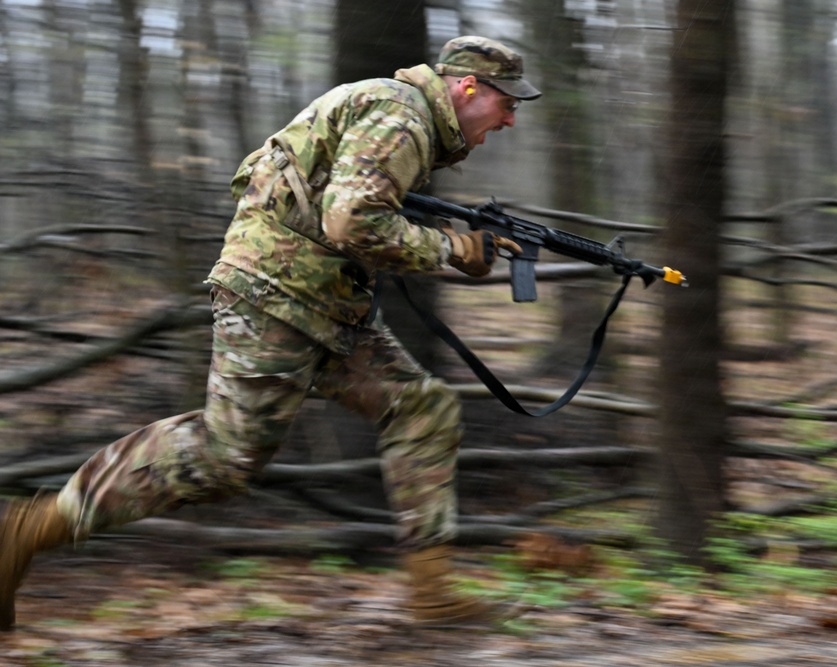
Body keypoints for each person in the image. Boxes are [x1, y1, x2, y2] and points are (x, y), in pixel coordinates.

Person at [0, 35, 541, 631]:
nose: (511, 118)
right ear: (467, 88)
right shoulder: (401, 116)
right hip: (276, 295)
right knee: (225, 457)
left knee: (423, 409)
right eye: (506, 102)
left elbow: (350, 205)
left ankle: (433, 594)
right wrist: (449, 247)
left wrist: (452, 242)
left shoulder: (403, 116)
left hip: (325, 302)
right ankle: (27, 530)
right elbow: (352, 221)